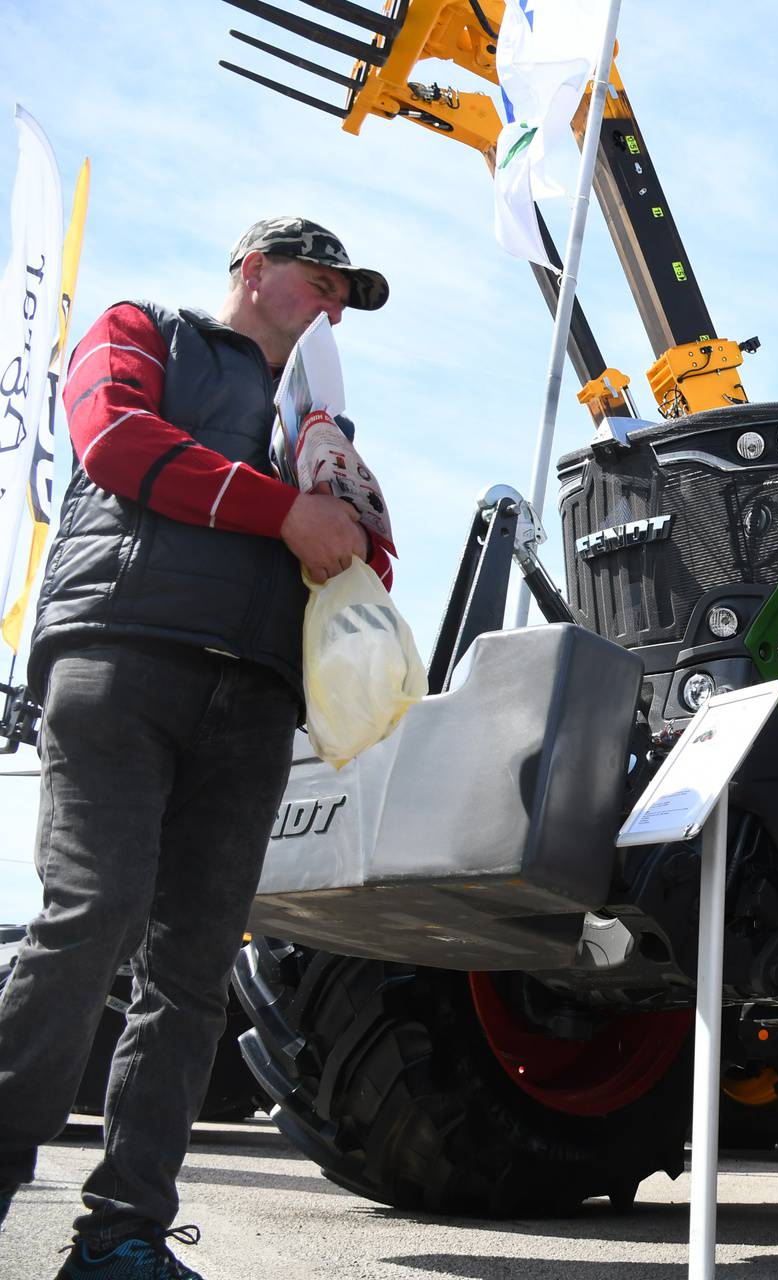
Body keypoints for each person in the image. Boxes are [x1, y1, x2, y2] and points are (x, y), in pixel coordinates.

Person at [0, 217, 392, 1277]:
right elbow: (116, 442)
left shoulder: (324, 421)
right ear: (256, 271)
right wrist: (285, 514)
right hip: (122, 655)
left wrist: (349, 505)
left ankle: (124, 1233)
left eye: (346, 295)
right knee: (92, 915)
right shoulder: (141, 329)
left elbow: (365, 567)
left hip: (257, 695)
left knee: (193, 972)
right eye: (322, 281)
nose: (334, 307)